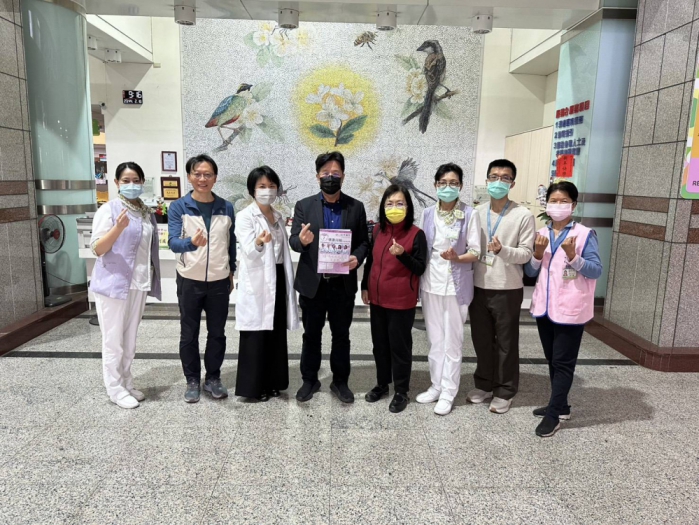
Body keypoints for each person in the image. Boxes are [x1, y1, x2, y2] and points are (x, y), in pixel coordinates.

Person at [289, 151, 369, 403]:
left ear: (343, 176)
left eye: (335, 173)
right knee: (311, 335)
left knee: (341, 335)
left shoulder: (356, 207)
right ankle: (309, 380)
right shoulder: (303, 205)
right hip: (313, 284)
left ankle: (340, 381)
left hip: (342, 284)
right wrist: (302, 241)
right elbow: (293, 240)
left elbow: (364, 242)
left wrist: (357, 257)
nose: (330, 177)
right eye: (325, 173)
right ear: (317, 177)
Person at [525, 180, 602, 437]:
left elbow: (596, 270)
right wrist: (537, 254)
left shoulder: (584, 234)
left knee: (563, 362)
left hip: (571, 308)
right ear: (546, 204)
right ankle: (561, 405)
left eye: (563, 201)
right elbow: (530, 273)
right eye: (553, 201)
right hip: (545, 307)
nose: (558, 205)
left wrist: (573, 257)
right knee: (552, 359)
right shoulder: (542, 233)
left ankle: (553, 416)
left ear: (573, 205)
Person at [89, 162, 162, 409]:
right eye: (126, 180)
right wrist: (118, 229)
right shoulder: (109, 210)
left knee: (130, 338)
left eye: (136, 180)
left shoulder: (145, 212)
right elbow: (98, 248)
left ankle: (127, 382)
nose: (132, 185)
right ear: (117, 183)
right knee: (113, 340)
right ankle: (115, 389)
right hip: (114, 284)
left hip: (139, 282)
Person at [468, 159, 536, 414]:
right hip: (478, 286)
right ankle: (484, 384)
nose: (498, 181)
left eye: (505, 178)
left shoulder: (523, 215)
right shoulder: (476, 212)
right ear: (487, 180)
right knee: (481, 340)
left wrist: (502, 250)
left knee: (506, 343)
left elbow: (526, 254)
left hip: (507, 288)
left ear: (512, 183)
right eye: (494, 176)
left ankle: (505, 391)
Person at [168, 154, 236, 403]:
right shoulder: (179, 207)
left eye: (207, 174)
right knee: (189, 333)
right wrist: (191, 243)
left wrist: (231, 271)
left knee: (217, 333)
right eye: (197, 174)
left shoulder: (226, 207)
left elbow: (231, 244)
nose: (202, 179)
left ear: (215, 178)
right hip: (189, 280)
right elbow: (173, 243)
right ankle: (192, 380)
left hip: (219, 281)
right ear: (189, 176)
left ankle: (213, 378)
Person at [415, 163, 481, 416]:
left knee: (452, 341)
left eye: (453, 183)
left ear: (460, 186)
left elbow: (476, 251)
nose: (447, 187)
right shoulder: (427, 213)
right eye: (442, 183)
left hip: (456, 285)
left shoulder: (470, 214)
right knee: (435, 340)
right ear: (435, 185)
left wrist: (457, 257)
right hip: (431, 283)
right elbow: (423, 247)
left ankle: (449, 391)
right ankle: (436, 385)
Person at [234, 166, 300, 401]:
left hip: (278, 277)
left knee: (275, 333)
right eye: (262, 186)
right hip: (258, 281)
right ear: (252, 190)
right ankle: (253, 387)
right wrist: (259, 243)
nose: (267, 191)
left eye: (272, 186)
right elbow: (249, 251)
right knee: (256, 335)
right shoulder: (245, 216)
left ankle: (274, 382)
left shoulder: (278, 216)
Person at [361, 185, 427, 413]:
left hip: (401, 300)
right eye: (389, 203)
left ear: (408, 207)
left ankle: (401, 390)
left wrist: (402, 255)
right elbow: (370, 261)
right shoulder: (378, 230)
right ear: (383, 207)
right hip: (377, 299)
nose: (394, 208)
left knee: (399, 347)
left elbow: (420, 268)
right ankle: (382, 384)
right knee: (379, 345)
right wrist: (364, 285)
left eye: (400, 203)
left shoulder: (416, 234)